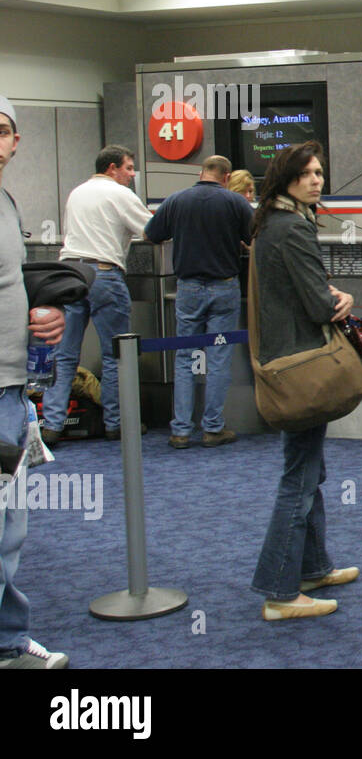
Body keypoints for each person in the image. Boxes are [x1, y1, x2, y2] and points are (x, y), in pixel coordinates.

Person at [250, 142, 359, 620]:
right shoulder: (292, 226)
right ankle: (280, 590)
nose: (317, 180)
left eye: (320, 172)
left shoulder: (273, 223)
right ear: (287, 179)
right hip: (302, 364)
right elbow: (319, 305)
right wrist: (341, 296)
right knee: (300, 476)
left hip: (287, 359)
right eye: (308, 174)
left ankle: (312, 566)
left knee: (309, 470)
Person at [0, 95, 70, 668]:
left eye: (1, 131)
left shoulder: (4, 201)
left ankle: (7, 641)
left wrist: (36, 314)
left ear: (16, 142)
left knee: (8, 527)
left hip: (10, 386)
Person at [40, 145, 153, 447]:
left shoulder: (77, 192)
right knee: (116, 354)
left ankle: (51, 425)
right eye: (128, 168)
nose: (131, 175)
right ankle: (117, 424)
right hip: (103, 274)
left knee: (64, 355)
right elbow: (152, 230)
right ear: (112, 168)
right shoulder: (119, 193)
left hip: (69, 275)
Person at [145, 155, 252, 450]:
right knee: (218, 358)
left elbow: (151, 234)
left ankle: (180, 430)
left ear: (201, 172)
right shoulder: (236, 203)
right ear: (227, 176)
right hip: (224, 286)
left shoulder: (177, 200)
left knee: (184, 358)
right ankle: (212, 428)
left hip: (188, 287)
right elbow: (254, 238)